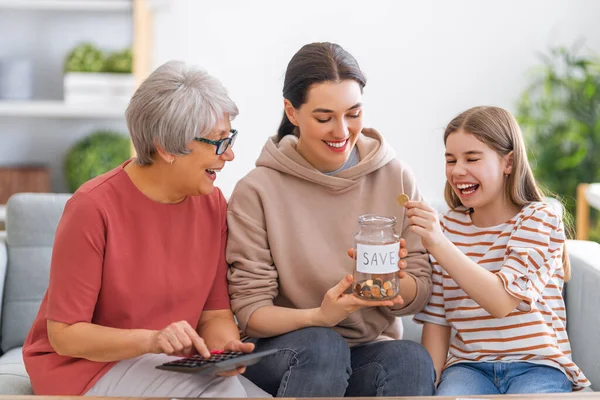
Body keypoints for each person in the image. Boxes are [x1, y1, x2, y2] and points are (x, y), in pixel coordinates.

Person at [22, 60, 269, 398]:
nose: (229, 155)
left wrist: (225, 350)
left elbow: (214, 314)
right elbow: (65, 334)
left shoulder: (212, 205)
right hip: (83, 368)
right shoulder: (91, 208)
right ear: (167, 147)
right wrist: (151, 339)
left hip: (160, 362)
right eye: (217, 142)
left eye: (229, 139)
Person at [226, 42, 436, 397]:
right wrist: (319, 317)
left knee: (411, 358)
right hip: (286, 350)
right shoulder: (257, 191)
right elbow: (251, 311)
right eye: (324, 118)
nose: (341, 131)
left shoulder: (396, 178)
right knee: (324, 346)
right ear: (291, 112)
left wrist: (393, 284)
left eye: (353, 114)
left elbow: (420, 289)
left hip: (366, 349)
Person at [409, 106, 591, 395]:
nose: (457, 171)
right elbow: (438, 321)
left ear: (508, 162)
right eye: (450, 159)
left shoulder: (538, 219)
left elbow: (502, 301)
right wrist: (428, 387)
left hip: (538, 364)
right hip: (468, 367)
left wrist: (440, 244)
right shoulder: (448, 226)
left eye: (472, 158)